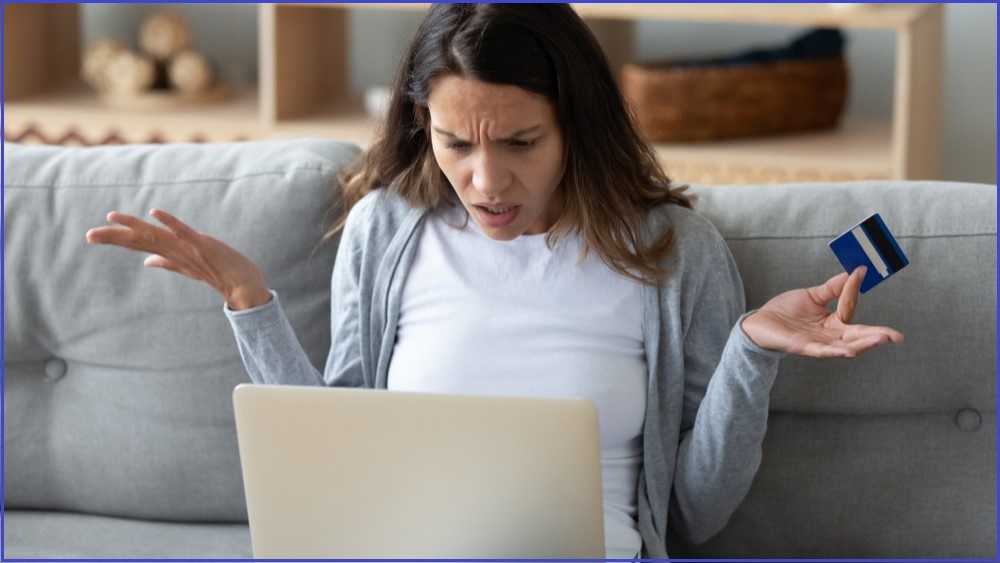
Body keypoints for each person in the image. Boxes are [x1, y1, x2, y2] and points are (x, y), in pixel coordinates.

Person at [85, 4, 903, 559]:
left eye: (520, 142)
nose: (485, 181)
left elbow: (693, 513)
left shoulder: (672, 252)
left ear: (574, 124)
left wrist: (751, 352)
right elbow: (334, 463)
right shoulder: (387, 230)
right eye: (455, 143)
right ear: (421, 126)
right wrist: (250, 304)